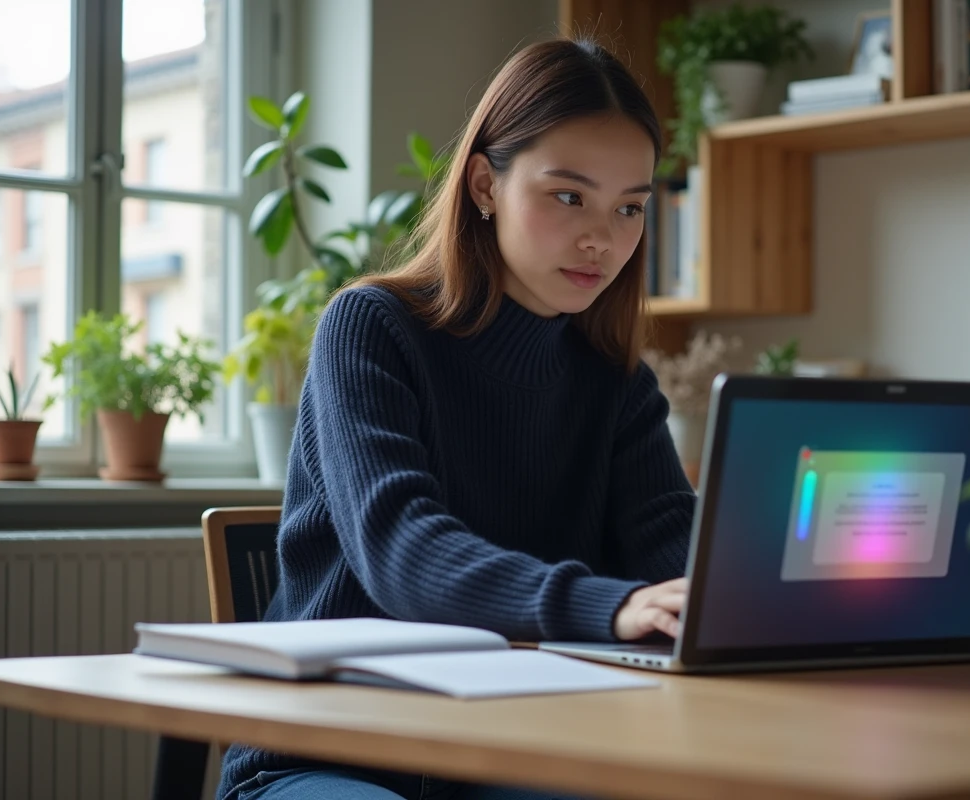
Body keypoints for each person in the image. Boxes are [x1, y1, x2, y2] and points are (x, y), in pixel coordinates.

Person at [217, 36, 696, 800]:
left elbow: (681, 557)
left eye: (629, 207)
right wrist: (611, 606)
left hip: (517, 752)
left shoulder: (617, 385)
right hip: (333, 756)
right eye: (568, 195)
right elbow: (402, 551)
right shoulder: (370, 327)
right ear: (483, 184)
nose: (602, 237)